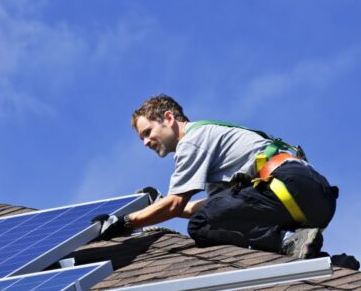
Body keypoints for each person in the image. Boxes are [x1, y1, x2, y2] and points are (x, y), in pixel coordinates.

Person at [94, 94, 338, 258]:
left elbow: (178, 204)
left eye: (148, 132)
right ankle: (314, 254)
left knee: (202, 226)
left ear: (168, 118)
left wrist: (125, 222)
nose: (146, 142)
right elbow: (212, 206)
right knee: (212, 215)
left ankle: (286, 241)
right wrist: (159, 206)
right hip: (315, 198)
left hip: (289, 187)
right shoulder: (212, 140)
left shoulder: (192, 141)